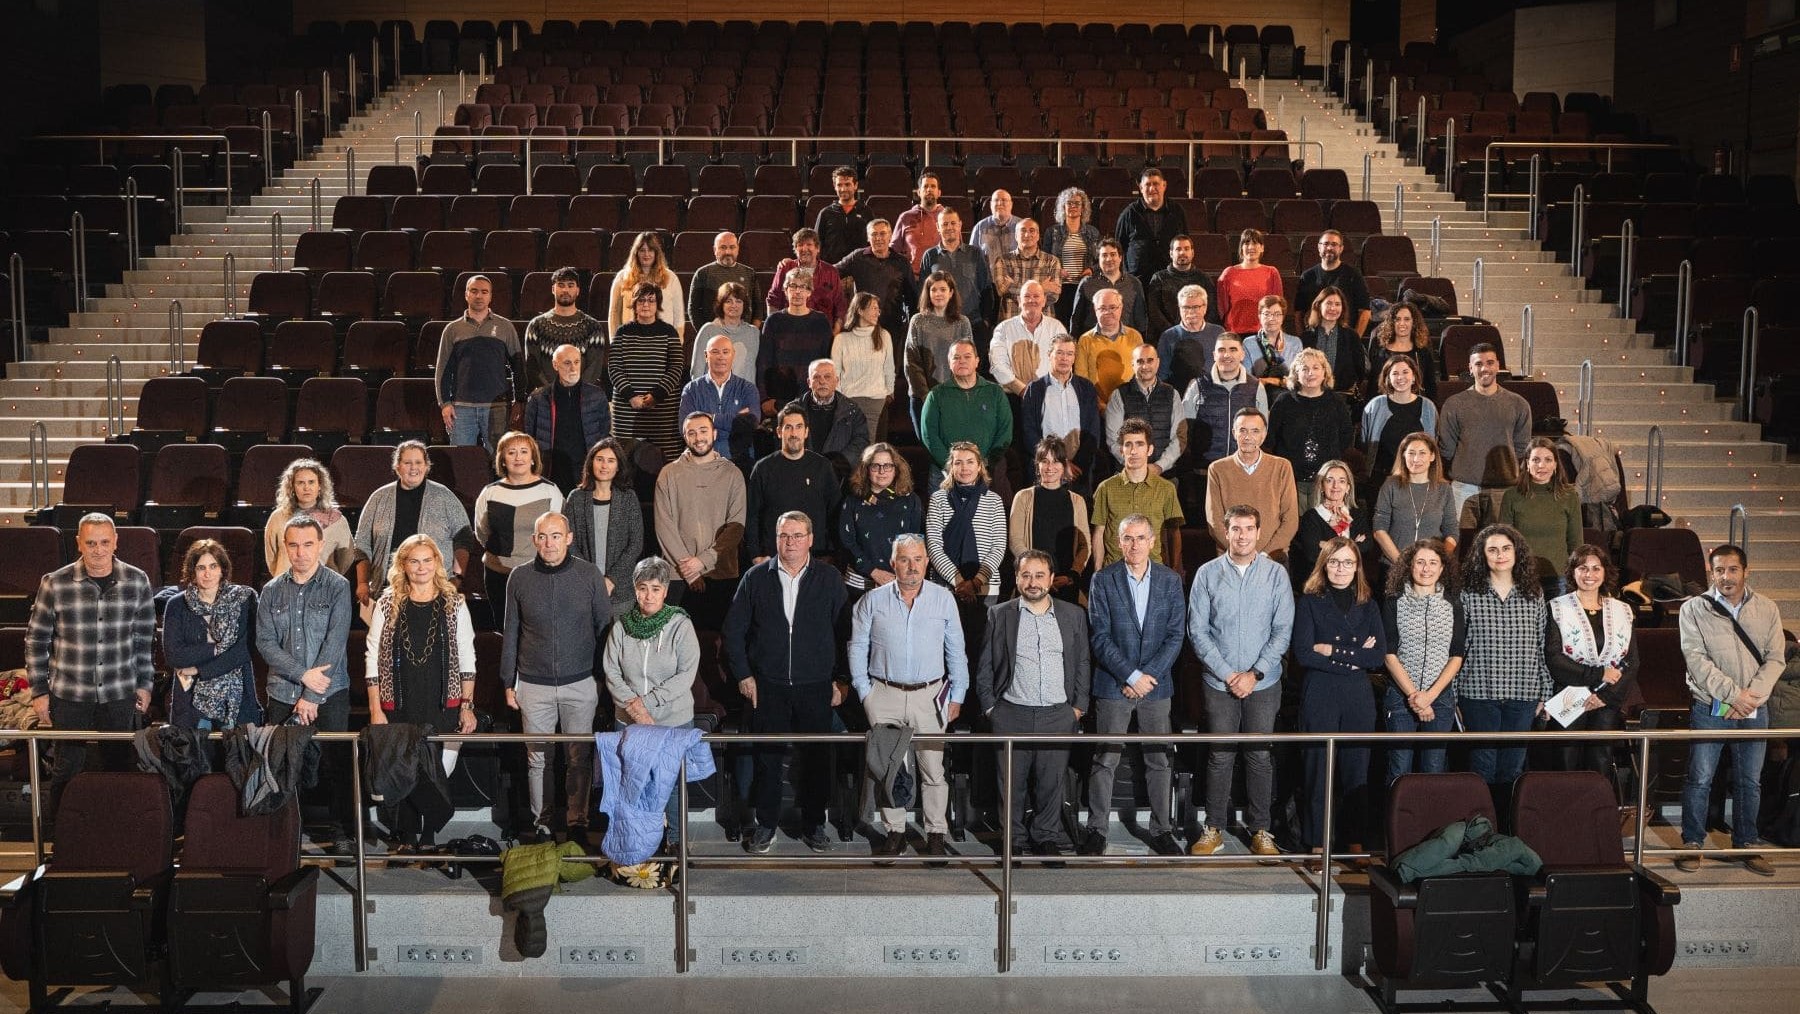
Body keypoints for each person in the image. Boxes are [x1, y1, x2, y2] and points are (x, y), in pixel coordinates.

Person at [723, 511, 849, 854]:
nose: (790, 542)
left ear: (810, 540)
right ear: (776, 539)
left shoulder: (829, 578)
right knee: (768, 758)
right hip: (769, 685)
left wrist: (842, 680)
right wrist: (744, 675)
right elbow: (734, 631)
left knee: (817, 758)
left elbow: (845, 633)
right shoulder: (755, 577)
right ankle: (766, 825)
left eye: (797, 535)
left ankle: (814, 825)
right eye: (784, 536)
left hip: (816, 684)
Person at [848, 533, 967, 861]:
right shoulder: (872, 601)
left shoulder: (943, 599)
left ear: (927, 562)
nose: (911, 566)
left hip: (930, 695)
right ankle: (895, 832)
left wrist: (957, 694)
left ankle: (936, 834)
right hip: (884, 694)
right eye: (904, 559)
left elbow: (956, 649)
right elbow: (857, 647)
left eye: (917, 559)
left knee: (933, 770)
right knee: (890, 770)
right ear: (893, 563)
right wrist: (865, 692)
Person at [27, 514, 156, 815]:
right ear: (79, 543)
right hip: (70, 694)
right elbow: (36, 640)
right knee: (67, 767)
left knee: (119, 767)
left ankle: (115, 829)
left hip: (119, 692)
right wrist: (39, 691)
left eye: (104, 542)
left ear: (115, 542)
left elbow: (144, 640)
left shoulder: (137, 581)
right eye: (91, 543)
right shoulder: (55, 583)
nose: (98, 550)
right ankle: (62, 833)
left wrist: (145, 685)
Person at [1187, 504, 1295, 857]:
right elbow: (1197, 631)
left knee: (1259, 756)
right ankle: (1214, 828)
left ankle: (1261, 829)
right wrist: (1228, 673)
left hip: (1263, 683)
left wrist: (1254, 673)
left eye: (1249, 528)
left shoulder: (1276, 574)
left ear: (1259, 532)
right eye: (1236, 528)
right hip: (1219, 683)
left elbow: (1282, 631)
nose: (1243, 535)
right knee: (1220, 755)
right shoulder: (1207, 574)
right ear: (1226, 531)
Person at [500, 512, 613, 839]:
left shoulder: (589, 575)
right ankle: (544, 826)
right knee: (538, 761)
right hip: (533, 684)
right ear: (534, 540)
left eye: (556, 535)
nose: (549, 543)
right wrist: (508, 681)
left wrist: (602, 679)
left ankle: (577, 824)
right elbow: (511, 631)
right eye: (543, 536)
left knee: (579, 758)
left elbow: (605, 628)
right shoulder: (519, 577)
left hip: (582, 682)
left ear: (569, 538)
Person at [1675, 544, 1784, 876]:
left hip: (1754, 707)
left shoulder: (1767, 608)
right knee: (1700, 778)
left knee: (1750, 781)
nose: (1726, 576)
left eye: (1733, 569)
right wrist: (1734, 695)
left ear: (1746, 571)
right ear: (1711, 573)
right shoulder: (1693, 609)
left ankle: (1746, 843)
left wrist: (1751, 697)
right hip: (1710, 705)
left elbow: (1775, 659)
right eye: (1719, 570)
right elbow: (1697, 661)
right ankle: (1693, 842)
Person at [976, 549, 1091, 865]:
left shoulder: (1073, 615)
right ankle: (1012, 841)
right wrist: (991, 709)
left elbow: (1082, 661)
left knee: (1051, 783)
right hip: (1011, 712)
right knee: (1010, 785)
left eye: (1040, 575)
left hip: (1057, 714)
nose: (1033, 582)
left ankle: (1046, 837)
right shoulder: (999, 614)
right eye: (1026, 575)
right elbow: (985, 667)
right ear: (1016, 578)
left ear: (1052, 579)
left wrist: (1078, 708)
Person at [364, 534, 478, 850]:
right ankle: (406, 834)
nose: (421, 567)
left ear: (437, 563)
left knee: (436, 770)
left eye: (427, 560)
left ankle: (429, 836)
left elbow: (467, 656)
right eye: (414, 561)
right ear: (403, 565)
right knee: (402, 766)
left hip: (443, 700)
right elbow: (372, 655)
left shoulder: (455, 603)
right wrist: (375, 708)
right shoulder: (387, 603)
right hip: (398, 699)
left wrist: (467, 704)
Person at [1084, 515, 1186, 856]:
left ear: (1153, 542)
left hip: (1156, 686)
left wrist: (1146, 677)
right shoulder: (1103, 579)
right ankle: (1096, 830)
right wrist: (1130, 676)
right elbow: (1099, 636)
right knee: (1105, 759)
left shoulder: (1170, 580)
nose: (1134, 545)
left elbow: (1175, 635)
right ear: (1118, 541)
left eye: (1141, 538)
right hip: (1114, 684)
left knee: (1159, 760)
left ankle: (1162, 830)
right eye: (1128, 538)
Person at [257, 516, 354, 851]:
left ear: (320, 545)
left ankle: (341, 832)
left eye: (308, 544)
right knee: (284, 765)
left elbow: (335, 643)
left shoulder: (337, 586)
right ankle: (285, 833)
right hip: (283, 692)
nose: (301, 552)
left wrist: (311, 694)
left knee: (337, 764)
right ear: (285, 547)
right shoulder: (271, 591)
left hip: (330, 693)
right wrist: (302, 675)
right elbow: (265, 643)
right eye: (294, 545)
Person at [1293, 536, 1387, 851]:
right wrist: (1355, 657)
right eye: (1334, 562)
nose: (1341, 568)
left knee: (1356, 770)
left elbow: (1377, 656)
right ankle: (1316, 843)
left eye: (1348, 562)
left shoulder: (1368, 604)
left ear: (1357, 566)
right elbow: (1304, 654)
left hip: (1357, 695)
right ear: (1324, 565)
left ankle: (1355, 842)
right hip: (1320, 692)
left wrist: (1332, 650)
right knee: (1317, 770)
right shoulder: (1309, 602)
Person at [603, 556, 701, 854]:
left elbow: (686, 674)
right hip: (629, 720)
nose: (648, 596)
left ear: (665, 591)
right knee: (635, 783)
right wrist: (633, 707)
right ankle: (642, 842)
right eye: (643, 588)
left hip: (673, 718)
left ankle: (676, 843)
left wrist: (646, 703)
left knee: (670, 784)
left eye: (655, 589)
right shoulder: (621, 626)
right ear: (634, 590)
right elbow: (611, 671)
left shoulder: (680, 625)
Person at [1458, 524, 1552, 810]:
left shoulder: (1533, 593)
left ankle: (1508, 830)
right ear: (1482, 555)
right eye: (1493, 550)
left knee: (1513, 770)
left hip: (1523, 694)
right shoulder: (1468, 594)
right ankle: (1482, 828)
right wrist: (1453, 694)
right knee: (1482, 768)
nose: (1500, 555)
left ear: (1516, 552)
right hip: (1478, 693)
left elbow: (1541, 645)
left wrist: (1545, 691)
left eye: (1506, 548)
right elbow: (1459, 648)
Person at [1545, 545, 1639, 789]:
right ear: (1572, 572)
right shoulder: (1556, 607)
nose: (1590, 574)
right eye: (1583, 568)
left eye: (1596, 568)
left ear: (1605, 572)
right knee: (1565, 762)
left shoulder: (1622, 610)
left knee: (1600, 764)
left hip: (1607, 700)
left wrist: (1604, 696)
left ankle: (1596, 811)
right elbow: (1554, 658)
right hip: (1568, 694)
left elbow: (1632, 661)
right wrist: (1597, 675)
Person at [654, 413, 748, 628]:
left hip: (721, 572)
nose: (698, 438)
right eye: (692, 433)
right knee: (676, 640)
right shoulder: (668, 474)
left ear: (714, 433)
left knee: (718, 640)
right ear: (685, 437)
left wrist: (703, 561)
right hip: (679, 575)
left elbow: (736, 526)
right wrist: (689, 570)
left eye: (703, 431)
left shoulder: (732, 474)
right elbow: (664, 526)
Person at [352, 441, 473, 609]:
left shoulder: (445, 497)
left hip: (434, 592)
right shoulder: (378, 498)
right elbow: (362, 543)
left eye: (418, 462)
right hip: (386, 590)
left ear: (426, 466)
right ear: (397, 467)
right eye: (407, 462)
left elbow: (464, 539)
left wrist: (456, 579)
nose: (413, 467)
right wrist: (363, 582)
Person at [1382, 538, 1465, 781]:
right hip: (1400, 696)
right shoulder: (1394, 601)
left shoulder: (1453, 604)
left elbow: (1456, 655)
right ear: (1410, 566)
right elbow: (1389, 654)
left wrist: (1430, 696)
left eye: (1432, 563)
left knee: (1434, 769)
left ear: (1442, 568)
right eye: (1420, 562)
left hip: (1440, 697)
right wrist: (1414, 696)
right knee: (1399, 770)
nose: (1426, 569)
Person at [162, 538, 261, 729]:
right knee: (195, 746)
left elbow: (244, 651)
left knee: (236, 747)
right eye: (201, 568)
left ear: (222, 569)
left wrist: (199, 670)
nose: (207, 574)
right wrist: (216, 649)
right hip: (191, 700)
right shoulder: (176, 605)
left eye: (213, 566)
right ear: (192, 572)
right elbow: (174, 655)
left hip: (236, 698)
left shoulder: (243, 599)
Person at [474, 431, 566, 613]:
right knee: (503, 626)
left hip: (539, 574)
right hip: (497, 574)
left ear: (533, 458)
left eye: (524, 451)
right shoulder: (490, 493)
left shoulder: (550, 491)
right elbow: (482, 532)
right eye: (511, 452)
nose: (518, 458)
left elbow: (560, 534)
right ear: (502, 460)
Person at [1437, 344, 1532, 517]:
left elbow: (1521, 447)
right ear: (1470, 368)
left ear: (1498, 365)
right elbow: (1446, 448)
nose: (1484, 369)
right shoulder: (1454, 404)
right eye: (1478, 364)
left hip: (1504, 489)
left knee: (1500, 535)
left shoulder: (1518, 404)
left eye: (1489, 363)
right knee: (1459, 535)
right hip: (1463, 488)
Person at [1180, 331, 1269, 507]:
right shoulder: (1198, 385)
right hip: (1205, 471)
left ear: (1242, 354)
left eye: (1233, 349)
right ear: (1214, 355)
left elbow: (1262, 431)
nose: (1227, 355)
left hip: (1243, 470)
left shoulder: (1255, 387)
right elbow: (1184, 428)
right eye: (1221, 350)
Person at [435, 273, 523, 450]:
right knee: (461, 461)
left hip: (496, 409)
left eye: (484, 292)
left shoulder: (505, 327)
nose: (479, 296)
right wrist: (445, 404)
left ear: (490, 296)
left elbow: (518, 367)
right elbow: (442, 370)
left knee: (498, 461)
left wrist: (519, 401)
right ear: (466, 294)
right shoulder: (452, 330)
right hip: (461, 409)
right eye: (474, 291)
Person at [746, 404, 841, 562]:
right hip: (774, 557)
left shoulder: (822, 466)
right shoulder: (763, 468)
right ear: (779, 432)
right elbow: (752, 515)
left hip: (815, 557)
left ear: (806, 432)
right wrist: (755, 554)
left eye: (799, 427)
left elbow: (835, 513)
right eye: (788, 427)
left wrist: (832, 553)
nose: (794, 433)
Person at [1204, 408, 1299, 560]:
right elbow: (1214, 521)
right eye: (1243, 430)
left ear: (1264, 434)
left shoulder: (1282, 467)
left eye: (1255, 431)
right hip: (1232, 558)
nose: (1248, 437)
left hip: (1273, 558)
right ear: (1234, 433)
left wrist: (1265, 555)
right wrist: (1241, 553)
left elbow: (1290, 520)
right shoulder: (1217, 469)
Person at [1266, 347, 1356, 505]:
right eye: (1304, 369)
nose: (1310, 373)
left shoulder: (1336, 402)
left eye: (1316, 368)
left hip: (1326, 482)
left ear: (1325, 373)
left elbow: (1346, 436)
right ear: (1296, 374)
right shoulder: (1284, 401)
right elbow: (1271, 438)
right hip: (1290, 479)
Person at [1091, 418, 1184, 571]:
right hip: (1114, 570)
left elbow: (1174, 532)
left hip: (1153, 571)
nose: (1133, 451)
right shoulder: (1106, 488)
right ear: (1121, 450)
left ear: (1150, 450)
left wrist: (1173, 571)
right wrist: (1097, 572)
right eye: (1128, 445)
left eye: (1140, 444)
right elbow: (1099, 532)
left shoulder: (1166, 488)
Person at [565, 437, 645, 613]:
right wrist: (592, 577)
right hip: (584, 587)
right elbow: (569, 543)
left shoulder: (628, 498)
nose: (604, 466)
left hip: (621, 589)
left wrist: (611, 579)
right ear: (590, 463)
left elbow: (636, 543)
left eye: (611, 461)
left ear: (618, 466)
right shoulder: (576, 498)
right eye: (599, 459)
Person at [610, 281, 687, 462]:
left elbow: (676, 367)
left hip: (661, 411)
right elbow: (614, 367)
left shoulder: (669, 332)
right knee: (625, 463)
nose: (646, 305)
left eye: (651, 300)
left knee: (663, 463)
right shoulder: (622, 332)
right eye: (641, 300)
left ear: (658, 304)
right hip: (628, 410)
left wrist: (656, 396)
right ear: (634, 304)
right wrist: (630, 396)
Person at [1009, 436, 1091, 602]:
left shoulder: (1077, 501)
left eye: (1056, 461)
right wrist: (1037, 574)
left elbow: (1085, 545)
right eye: (1045, 461)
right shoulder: (1023, 497)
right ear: (1037, 465)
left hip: (1066, 584)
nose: (1050, 467)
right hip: (1032, 583)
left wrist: (1072, 574)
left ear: (1064, 465)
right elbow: (1015, 540)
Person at [919, 339, 1013, 483]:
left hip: (987, 471)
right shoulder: (936, 395)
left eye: (967, 356)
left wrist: (984, 464)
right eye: (956, 357)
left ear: (977, 361)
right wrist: (951, 466)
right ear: (949, 363)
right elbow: (929, 435)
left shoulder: (995, 393)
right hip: (946, 474)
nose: (962, 361)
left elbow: (1005, 432)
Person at [522, 343, 611, 493]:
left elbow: (604, 431)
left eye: (577, 362)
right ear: (555, 365)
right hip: (551, 469)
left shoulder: (596, 395)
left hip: (586, 468)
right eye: (567, 363)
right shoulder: (539, 398)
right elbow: (529, 436)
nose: (573, 368)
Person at [926, 442, 1007, 605]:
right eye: (958, 462)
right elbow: (934, 546)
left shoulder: (994, 501)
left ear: (979, 466)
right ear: (951, 467)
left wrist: (976, 582)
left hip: (985, 587)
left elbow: (998, 547)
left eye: (970, 462)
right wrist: (959, 581)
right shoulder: (938, 499)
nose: (964, 468)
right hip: (946, 587)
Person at [839, 443, 925, 595]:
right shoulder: (852, 501)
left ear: (896, 469)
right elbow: (846, 541)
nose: (882, 471)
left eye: (888, 466)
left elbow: (916, 542)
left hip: (899, 582)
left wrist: (900, 576)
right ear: (866, 469)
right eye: (875, 466)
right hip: (859, 583)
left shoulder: (911, 501)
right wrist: (873, 572)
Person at [1501, 437, 1584, 595]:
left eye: (1548, 460)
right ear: (1527, 463)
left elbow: (1576, 541)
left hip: (1559, 577)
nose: (1541, 465)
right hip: (1522, 577)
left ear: (1555, 464)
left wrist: (1575, 574)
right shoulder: (1511, 496)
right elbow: (1504, 541)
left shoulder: (1569, 496)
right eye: (1536, 460)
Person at [1371, 432, 1461, 573]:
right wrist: (1402, 565)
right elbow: (1379, 529)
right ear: (1403, 455)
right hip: (1394, 566)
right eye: (1411, 453)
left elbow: (1452, 530)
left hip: (1430, 571)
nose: (1416, 459)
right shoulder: (1391, 485)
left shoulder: (1444, 489)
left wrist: (1438, 561)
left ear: (1432, 456)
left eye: (1422, 453)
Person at [1021, 334, 1103, 487]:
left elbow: (1093, 432)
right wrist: (1057, 463)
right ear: (1049, 355)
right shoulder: (1034, 389)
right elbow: (1029, 432)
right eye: (1059, 353)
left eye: (1069, 354)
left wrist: (1076, 465)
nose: (1064, 358)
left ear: (1074, 358)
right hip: (1046, 471)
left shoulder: (1086, 388)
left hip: (1079, 472)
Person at [904, 269, 976, 430]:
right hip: (922, 397)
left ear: (951, 293)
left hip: (955, 395)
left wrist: (956, 392)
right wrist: (927, 396)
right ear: (928, 293)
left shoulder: (962, 322)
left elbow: (967, 361)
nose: (938, 294)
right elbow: (911, 362)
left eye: (943, 289)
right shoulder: (918, 321)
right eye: (933, 290)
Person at [835, 218, 915, 361]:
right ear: (868, 237)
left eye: (882, 234)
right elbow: (832, 272)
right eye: (874, 234)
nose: (878, 238)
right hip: (861, 326)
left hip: (892, 327)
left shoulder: (902, 263)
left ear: (890, 236)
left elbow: (912, 298)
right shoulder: (857, 257)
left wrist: (910, 327)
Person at [264, 457, 356, 578]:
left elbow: (346, 558)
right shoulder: (277, 517)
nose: (306, 488)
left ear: (320, 486)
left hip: (324, 585)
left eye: (311, 482)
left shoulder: (337, 520)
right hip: (285, 584)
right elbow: (271, 558)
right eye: (300, 483)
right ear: (292, 487)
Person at [522, 266, 609, 393]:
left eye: (570, 285)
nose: (565, 290)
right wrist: (552, 392)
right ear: (553, 289)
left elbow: (594, 369)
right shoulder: (536, 325)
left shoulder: (593, 327)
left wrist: (575, 392)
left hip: (581, 396)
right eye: (561, 285)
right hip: (547, 396)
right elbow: (533, 367)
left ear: (578, 290)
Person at [679, 332, 762, 465]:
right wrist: (735, 419)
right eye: (715, 352)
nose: (721, 357)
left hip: (739, 461)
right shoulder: (691, 390)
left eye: (725, 352)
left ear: (733, 355)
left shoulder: (748, 389)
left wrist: (711, 419)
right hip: (701, 462)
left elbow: (751, 423)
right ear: (706, 355)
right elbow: (685, 427)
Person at [759, 268, 836, 408]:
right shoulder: (774, 321)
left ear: (809, 292)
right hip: (779, 397)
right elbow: (764, 362)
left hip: (813, 397)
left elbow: (828, 362)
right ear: (786, 290)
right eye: (793, 286)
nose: (797, 291)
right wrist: (764, 399)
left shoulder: (821, 322)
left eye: (803, 287)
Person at [1291, 459, 1373, 587]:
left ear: (1348, 487)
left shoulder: (1358, 515)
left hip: (1352, 585)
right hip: (1320, 584)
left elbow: (1367, 545)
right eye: (1329, 480)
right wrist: (1353, 545)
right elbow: (1312, 554)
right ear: (1321, 486)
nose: (1336, 486)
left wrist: (1326, 546)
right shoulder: (1310, 517)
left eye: (1342, 481)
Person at [1105, 343, 1183, 477]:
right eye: (1140, 361)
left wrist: (1159, 466)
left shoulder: (1172, 394)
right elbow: (1114, 439)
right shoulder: (1119, 395)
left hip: (1165, 475)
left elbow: (1179, 437)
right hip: (1129, 475)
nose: (1145, 366)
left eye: (1150, 361)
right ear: (1132, 365)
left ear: (1158, 363)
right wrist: (1137, 466)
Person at [1360, 354, 1437, 484]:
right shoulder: (1375, 405)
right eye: (1395, 373)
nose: (1400, 377)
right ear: (1388, 378)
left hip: (1417, 479)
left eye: (1405, 372)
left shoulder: (1428, 407)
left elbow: (1433, 443)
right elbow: (1364, 442)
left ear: (1414, 377)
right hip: (1380, 478)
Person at [920, 206, 993, 336]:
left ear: (960, 225)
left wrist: (986, 321)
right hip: (939, 327)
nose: (949, 227)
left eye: (953, 223)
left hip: (973, 324)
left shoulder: (975, 253)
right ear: (938, 227)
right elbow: (923, 292)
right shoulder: (929, 256)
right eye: (945, 224)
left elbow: (986, 289)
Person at [989, 279, 1066, 397]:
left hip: (1050, 395)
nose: (1031, 300)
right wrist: (1023, 391)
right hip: (1013, 397)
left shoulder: (1057, 328)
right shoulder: (1003, 329)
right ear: (1019, 301)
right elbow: (997, 365)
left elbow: (1064, 362)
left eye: (1036, 296)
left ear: (1044, 301)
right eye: (1027, 296)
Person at [1114, 166, 1189, 288]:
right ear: (1141, 188)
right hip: (1137, 282)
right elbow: (1119, 248)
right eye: (1147, 184)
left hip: (1171, 280)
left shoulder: (1177, 211)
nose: (1152, 188)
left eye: (1156, 184)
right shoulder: (1128, 214)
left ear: (1164, 185)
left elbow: (1185, 242)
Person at [797, 358, 872, 480]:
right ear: (809, 382)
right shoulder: (793, 410)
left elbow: (861, 441)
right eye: (816, 377)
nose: (822, 381)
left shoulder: (853, 411)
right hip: (801, 475)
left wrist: (837, 465)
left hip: (839, 478)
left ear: (836, 381)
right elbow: (784, 444)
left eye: (827, 377)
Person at [833, 292, 896, 434]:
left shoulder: (884, 335)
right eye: (873, 308)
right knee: (851, 441)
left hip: (876, 400)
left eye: (878, 309)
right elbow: (835, 372)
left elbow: (889, 368)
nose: (877, 313)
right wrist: (840, 398)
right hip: (849, 399)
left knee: (869, 441)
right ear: (860, 310)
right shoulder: (841, 339)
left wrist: (889, 392)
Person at [1073, 289, 1144, 407]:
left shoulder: (1135, 337)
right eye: (1102, 308)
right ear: (1095, 310)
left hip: (1130, 406)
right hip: (1094, 407)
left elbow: (1141, 374)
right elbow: (1081, 379)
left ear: (1121, 308)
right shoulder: (1085, 340)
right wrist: (1101, 407)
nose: (1107, 312)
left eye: (1112, 307)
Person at [606, 231, 685, 335]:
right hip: (630, 339)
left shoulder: (671, 278)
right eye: (642, 250)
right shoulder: (622, 277)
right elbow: (614, 313)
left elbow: (679, 317)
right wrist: (615, 341)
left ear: (656, 253)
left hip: (662, 339)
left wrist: (677, 342)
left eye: (650, 250)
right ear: (636, 253)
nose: (646, 254)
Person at [1295, 230, 1372, 336]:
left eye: (1334, 244)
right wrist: (1302, 339)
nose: (1329, 248)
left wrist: (1355, 339)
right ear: (1319, 247)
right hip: (1314, 338)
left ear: (1341, 249)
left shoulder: (1353, 275)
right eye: (1326, 244)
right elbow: (1299, 312)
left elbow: (1365, 311)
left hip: (1345, 337)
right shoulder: (1307, 276)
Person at [1070, 238, 1151, 338]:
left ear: (1120, 257)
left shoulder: (1134, 283)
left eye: (1113, 254)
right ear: (1098, 259)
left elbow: (1141, 319)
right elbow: (1076, 319)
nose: (1109, 259)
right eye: (1104, 255)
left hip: (1126, 342)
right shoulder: (1087, 283)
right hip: (1093, 342)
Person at [767, 227, 847, 327]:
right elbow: (773, 300)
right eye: (800, 245)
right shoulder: (785, 268)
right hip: (789, 329)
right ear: (795, 249)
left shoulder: (831, 272)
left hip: (822, 330)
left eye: (809, 244)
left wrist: (835, 331)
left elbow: (840, 305)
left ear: (818, 248)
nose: (804, 249)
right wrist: (773, 326)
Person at [1147, 234, 1219, 342]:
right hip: (1168, 338)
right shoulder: (1159, 279)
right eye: (1178, 249)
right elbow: (1154, 311)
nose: (1182, 252)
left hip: (1199, 337)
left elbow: (1211, 310)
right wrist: (1175, 332)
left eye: (1186, 249)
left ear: (1192, 253)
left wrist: (1197, 330)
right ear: (1171, 253)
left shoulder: (1204, 279)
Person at [1156, 283, 1224, 395]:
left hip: (1214, 394)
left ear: (1205, 307)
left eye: (1196, 307)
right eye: (1186, 307)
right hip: (1178, 395)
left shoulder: (1218, 332)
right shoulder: (1168, 336)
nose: (1191, 312)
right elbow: (1162, 374)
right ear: (1179, 308)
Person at [688, 279, 760, 384]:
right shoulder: (708, 330)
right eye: (728, 301)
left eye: (738, 301)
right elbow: (697, 370)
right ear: (721, 304)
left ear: (744, 305)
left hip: (744, 393)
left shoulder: (753, 333)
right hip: (712, 392)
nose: (734, 305)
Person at [687, 231, 760, 334]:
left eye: (732, 247)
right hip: (713, 336)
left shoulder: (749, 273)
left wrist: (752, 333)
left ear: (738, 249)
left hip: (743, 336)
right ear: (715, 250)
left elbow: (758, 307)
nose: (728, 252)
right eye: (723, 247)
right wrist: (706, 334)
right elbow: (693, 309)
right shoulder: (703, 273)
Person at [991, 218, 1063, 321]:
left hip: (1043, 323)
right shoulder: (1003, 260)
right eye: (1023, 230)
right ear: (1016, 236)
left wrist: (1013, 287)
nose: (1027, 234)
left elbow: (1054, 295)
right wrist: (1041, 288)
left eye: (1032, 231)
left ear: (1038, 235)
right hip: (1011, 322)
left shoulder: (1052, 261)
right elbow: (1002, 290)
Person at [1215, 229, 1284, 336]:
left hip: (1264, 333)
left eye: (1255, 243)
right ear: (1241, 248)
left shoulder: (1271, 272)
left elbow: (1277, 306)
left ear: (1262, 248)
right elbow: (1222, 307)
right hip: (1234, 333)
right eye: (1247, 243)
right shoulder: (1228, 273)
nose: (1251, 247)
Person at [1300, 286, 1364, 399]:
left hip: (1342, 397)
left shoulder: (1351, 336)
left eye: (1337, 304)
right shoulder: (1306, 337)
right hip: (1311, 396)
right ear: (1319, 305)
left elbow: (1360, 370)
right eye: (1328, 303)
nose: (1333, 308)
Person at [1045, 186, 1098, 320]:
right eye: (1069, 203)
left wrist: (1091, 270)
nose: (1073, 206)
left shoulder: (1092, 232)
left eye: (1077, 203)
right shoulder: (1052, 232)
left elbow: (1100, 261)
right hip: (1060, 287)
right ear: (1063, 207)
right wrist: (1057, 270)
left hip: (1084, 286)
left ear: (1083, 208)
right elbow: (1044, 259)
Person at [1367, 302, 1437, 402]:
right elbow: (1373, 385)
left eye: (1407, 319)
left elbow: (1430, 385)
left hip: (1415, 406)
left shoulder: (1422, 352)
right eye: (1397, 319)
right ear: (1392, 322)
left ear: (1414, 322)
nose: (1402, 323)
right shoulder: (1380, 350)